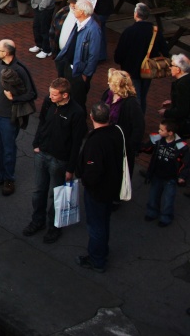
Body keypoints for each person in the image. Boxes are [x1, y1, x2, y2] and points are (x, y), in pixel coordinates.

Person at [23, 78, 86, 243]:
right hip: (42, 153)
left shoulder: (77, 113)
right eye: (50, 93)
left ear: (65, 95)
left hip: (60, 161)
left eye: (54, 94)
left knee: (55, 195)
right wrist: (36, 143)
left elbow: (76, 142)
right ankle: (37, 221)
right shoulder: (48, 101)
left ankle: (54, 227)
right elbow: (42, 122)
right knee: (38, 191)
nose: (50, 96)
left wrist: (70, 169)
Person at [75, 102, 125, 273]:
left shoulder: (96, 141)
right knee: (104, 222)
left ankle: (96, 259)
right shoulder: (116, 132)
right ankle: (102, 252)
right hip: (111, 187)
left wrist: (85, 181)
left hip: (97, 191)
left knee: (96, 225)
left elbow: (92, 172)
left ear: (92, 117)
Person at [0, 40, 37, 196]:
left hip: (8, 118)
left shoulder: (20, 69)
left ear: (6, 52)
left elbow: (32, 93)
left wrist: (14, 98)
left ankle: (8, 179)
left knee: (8, 149)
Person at [114, 3, 164, 113]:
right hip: (148, 68)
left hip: (131, 69)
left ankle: (136, 121)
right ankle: (140, 117)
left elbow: (120, 52)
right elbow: (164, 50)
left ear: (136, 14)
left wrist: (119, 61)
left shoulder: (129, 31)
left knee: (135, 97)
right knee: (142, 95)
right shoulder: (155, 31)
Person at [54, 0, 103, 108]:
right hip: (68, 64)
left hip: (78, 70)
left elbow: (93, 54)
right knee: (65, 94)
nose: (73, 10)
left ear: (82, 12)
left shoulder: (93, 29)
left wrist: (86, 73)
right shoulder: (78, 23)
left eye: (75, 9)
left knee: (77, 99)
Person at [144, 119, 188, 228]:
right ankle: (152, 212)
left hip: (170, 177)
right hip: (157, 174)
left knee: (168, 199)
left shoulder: (181, 146)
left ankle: (166, 217)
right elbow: (147, 148)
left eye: (162, 130)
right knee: (153, 195)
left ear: (170, 132)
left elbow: (186, 162)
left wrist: (182, 176)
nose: (159, 131)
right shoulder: (158, 139)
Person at [103, 68, 145, 172]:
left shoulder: (131, 103)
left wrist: (130, 148)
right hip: (106, 141)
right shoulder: (108, 94)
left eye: (110, 81)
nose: (108, 83)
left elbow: (138, 127)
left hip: (121, 147)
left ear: (117, 85)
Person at [160, 54, 190, 138]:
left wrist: (166, 112)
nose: (170, 67)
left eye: (172, 65)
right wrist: (173, 102)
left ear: (178, 69)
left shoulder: (182, 84)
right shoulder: (186, 80)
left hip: (181, 124)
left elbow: (182, 110)